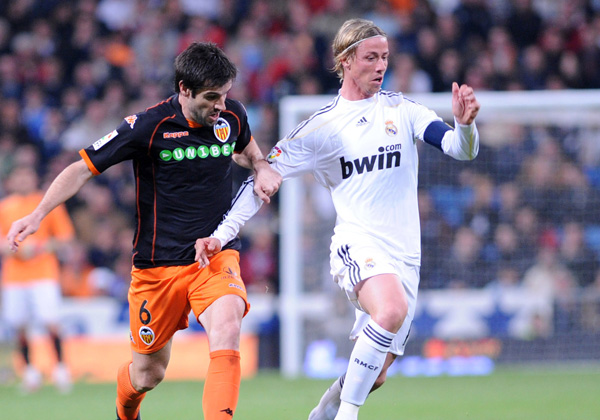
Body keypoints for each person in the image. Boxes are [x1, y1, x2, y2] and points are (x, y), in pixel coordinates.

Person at [196, 19, 480, 420]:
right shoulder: (322, 128)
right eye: (370, 58)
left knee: (375, 373)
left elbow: (458, 149)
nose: (380, 66)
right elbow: (261, 180)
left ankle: (324, 413)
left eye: (384, 57)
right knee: (390, 309)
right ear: (346, 61)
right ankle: (347, 415)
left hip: (405, 257)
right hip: (357, 244)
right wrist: (222, 234)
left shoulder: (403, 110)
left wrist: (465, 126)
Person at [7, 42, 281, 420]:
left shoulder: (231, 114)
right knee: (148, 374)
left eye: (225, 95)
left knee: (228, 325)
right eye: (211, 97)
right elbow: (82, 168)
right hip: (157, 268)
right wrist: (38, 214)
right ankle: (126, 408)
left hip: (216, 253)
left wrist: (262, 165)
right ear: (184, 89)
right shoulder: (147, 126)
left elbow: (246, 147)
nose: (221, 105)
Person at [0, 164, 75, 393]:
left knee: (51, 320)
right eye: (18, 176)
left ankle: (61, 368)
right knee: (19, 325)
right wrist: (16, 248)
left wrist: (39, 247)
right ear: (12, 181)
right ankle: (30, 372)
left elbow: (64, 239)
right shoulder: (5, 207)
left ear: (33, 178)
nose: (23, 180)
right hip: (14, 277)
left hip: (44, 274)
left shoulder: (47, 204)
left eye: (27, 175)